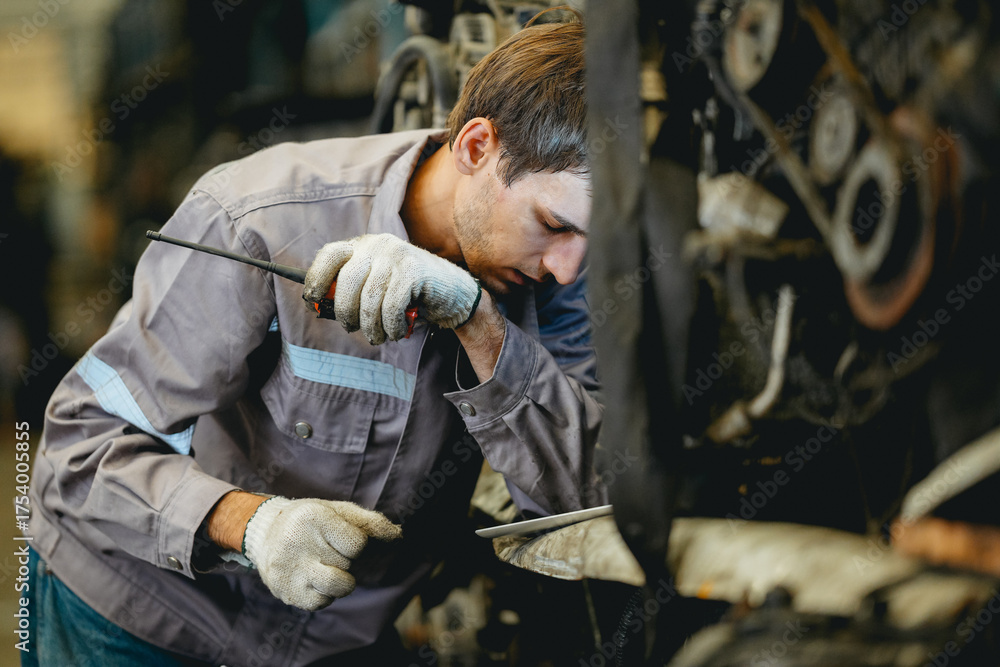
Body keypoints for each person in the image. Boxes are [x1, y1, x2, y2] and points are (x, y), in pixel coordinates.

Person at [25, 15, 601, 667]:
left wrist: (478, 321)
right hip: (138, 618)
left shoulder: (556, 281)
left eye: (590, 238)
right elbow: (79, 448)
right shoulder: (260, 219)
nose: (567, 268)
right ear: (475, 148)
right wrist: (252, 524)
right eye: (553, 224)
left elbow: (577, 500)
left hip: (325, 639)